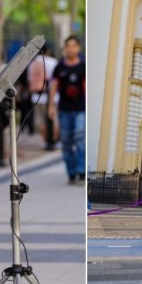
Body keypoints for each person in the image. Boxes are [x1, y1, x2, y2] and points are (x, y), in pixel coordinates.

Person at [48, 36, 86, 184]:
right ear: (65, 48)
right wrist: (51, 106)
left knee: (80, 138)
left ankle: (81, 170)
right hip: (64, 110)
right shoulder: (60, 67)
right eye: (68, 46)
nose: (71, 49)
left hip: (80, 109)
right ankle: (71, 172)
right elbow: (54, 87)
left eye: (73, 45)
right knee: (66, 142)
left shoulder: (83, 66)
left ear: (78, 48)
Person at [28, 44, 58, 150]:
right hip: (51, 96)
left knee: (40, 120)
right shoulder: (52, 62)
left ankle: (45, 140)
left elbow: (30, 80)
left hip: (36, 96)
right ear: (48, 51)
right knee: (53, 119)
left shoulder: (32, 63)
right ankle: (53, 140)